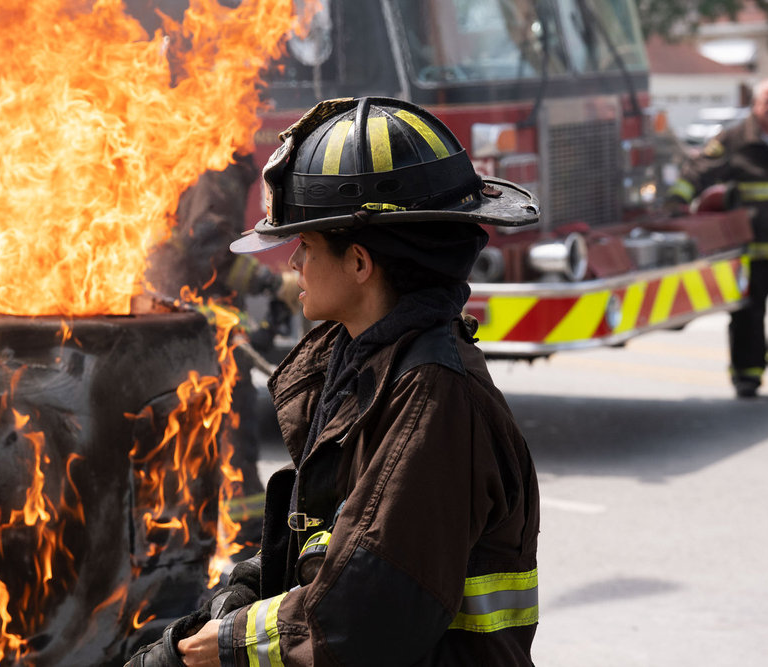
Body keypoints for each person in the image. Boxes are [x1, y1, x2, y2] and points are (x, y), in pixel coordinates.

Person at [126, 96, 541, 666]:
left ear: (360, 263)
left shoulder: (433, 399)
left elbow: (359, 618)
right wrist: (244, 588)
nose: (292, 263)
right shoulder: (364, 366)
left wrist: (221, 646)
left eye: (308, 244)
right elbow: (326, 538)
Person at [144, 153, 299, 559]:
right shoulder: (218, 171)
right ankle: (247, 545)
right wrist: (272, 283)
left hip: (182, 329)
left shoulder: (202, 162)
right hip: (206, 334)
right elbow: (210, 253)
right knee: (230, 438)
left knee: (199, 441)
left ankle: (194, 542)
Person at [667, 78, 768, 398]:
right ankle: (747, 375)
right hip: (751, 244)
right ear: (755, 105)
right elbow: (698, 170)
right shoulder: (734, 139)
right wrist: (677, 201)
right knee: (748, 313)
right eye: (767, 101)